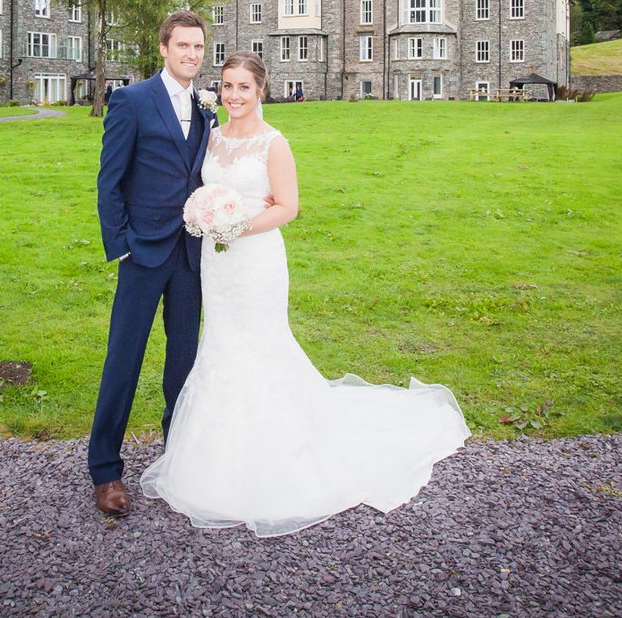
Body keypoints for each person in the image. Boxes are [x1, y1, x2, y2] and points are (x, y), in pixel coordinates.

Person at [141, 52, 468, 536]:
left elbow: (288, 207)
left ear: (261, 90)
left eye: (243, 88)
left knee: (261, 344)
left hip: (255, 260)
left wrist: (233, 224)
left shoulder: (274, 144)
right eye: (227, 86)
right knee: (222, 343)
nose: (233, 96)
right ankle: (216, 452)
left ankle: (277, 451)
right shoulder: (211, 137)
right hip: (217, 261)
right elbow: (199, 187)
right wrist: (205, 217)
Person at [89, 10, 216, 516]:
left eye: (198, 48)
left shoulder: (207, 110)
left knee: (182, 363)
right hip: (142, 252)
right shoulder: (132, 101)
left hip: (189, 255)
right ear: (163, 48)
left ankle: (176, 456)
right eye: (182, 46)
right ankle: (105, 471)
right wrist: (119, 244)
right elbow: (109, 180)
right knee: (125, 357)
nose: (191, 54)